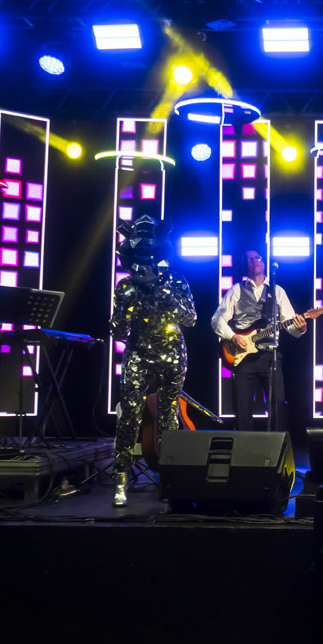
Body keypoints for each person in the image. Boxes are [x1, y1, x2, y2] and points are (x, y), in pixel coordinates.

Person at [109, 216, 196, 506]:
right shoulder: (125, 287)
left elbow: (191, 319)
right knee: (130, 414)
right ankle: (120, 476)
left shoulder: (176, 280)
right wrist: (121, 319)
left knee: (168, 415)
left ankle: (169, 476)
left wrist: (170, 298)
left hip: (171, 351)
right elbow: (118, 329)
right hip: (138, 351)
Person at [210, 250, 307, 431]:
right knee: (242, 409)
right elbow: (217, 319)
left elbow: (289, 323)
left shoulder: (277, 291)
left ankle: (275, 445)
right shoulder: (236, 290)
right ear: (244, 265)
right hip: (242, 358)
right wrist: (233, 336)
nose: (254, 261)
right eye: (249, 259)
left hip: (270, 356)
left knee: (277, 405)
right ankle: (244, 446)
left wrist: (300, 329)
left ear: (263, 263)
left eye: (257, 258)